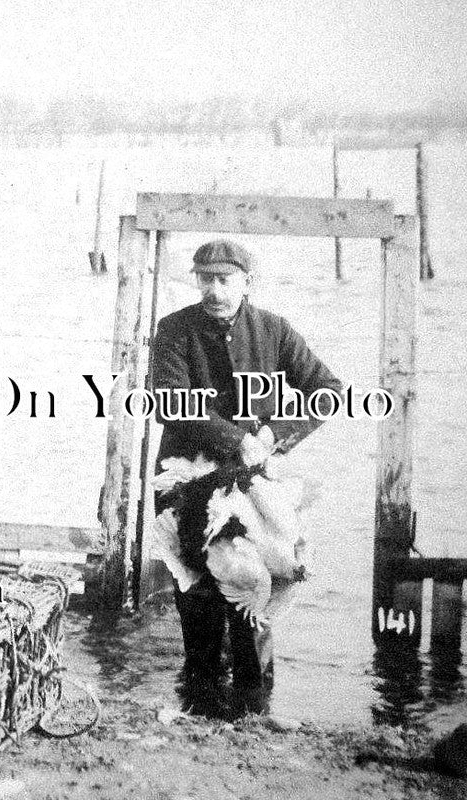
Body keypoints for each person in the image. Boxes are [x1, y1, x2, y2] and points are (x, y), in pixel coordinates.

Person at [151, 239, 341, 719]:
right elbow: (172, 402)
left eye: (225, 280)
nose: (214, 290)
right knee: (197, 592)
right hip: (187, 479)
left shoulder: (274, 329)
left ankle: (255, 703)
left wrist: (276, 431)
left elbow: (327, 390)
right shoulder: (174, 331)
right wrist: (236, 439)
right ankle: (200, 696)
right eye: (205, 279)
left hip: (253, 484)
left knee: (257, 584)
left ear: (247, 282)